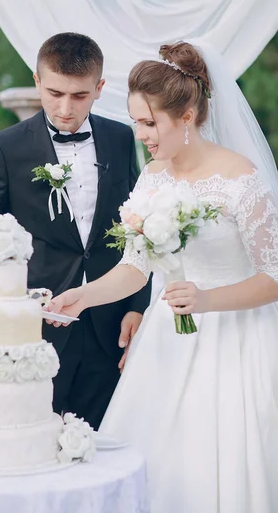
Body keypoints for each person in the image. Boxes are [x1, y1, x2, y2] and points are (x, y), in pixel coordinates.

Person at [49, 41, 278, 512]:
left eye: (150, 123)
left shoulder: (241, 179)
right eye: (137, 121)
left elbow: (274, 277)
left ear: (188, 115)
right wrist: (83, 296)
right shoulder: (153, 176)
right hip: (165, 344)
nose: (141, 135)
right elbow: (136, 268)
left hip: (235, 344)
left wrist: (207, 299)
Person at [0, 32, 152, 431]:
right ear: (37, 82)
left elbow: (136, 230)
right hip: (33, 332)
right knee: (29, 441)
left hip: (110, 326)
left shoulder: (121, 138)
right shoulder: (5, 148)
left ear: (99, 88)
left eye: (79, 95)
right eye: (55, 92)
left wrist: (137, 304)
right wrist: (12, 304)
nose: (65, 108)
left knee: (100, 443)